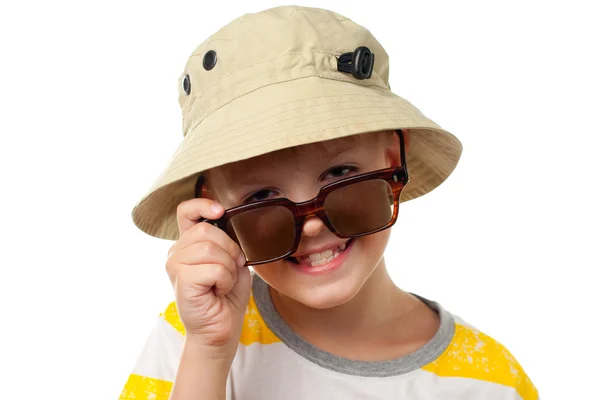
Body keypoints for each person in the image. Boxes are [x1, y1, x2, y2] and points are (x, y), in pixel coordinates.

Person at [120, 5, 539, 400]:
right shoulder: (191, 339)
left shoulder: (489, 382)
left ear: (393, 160)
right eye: (262, 197)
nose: (313, 225)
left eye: (340, 175)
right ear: (214, 214)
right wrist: (209, 353)